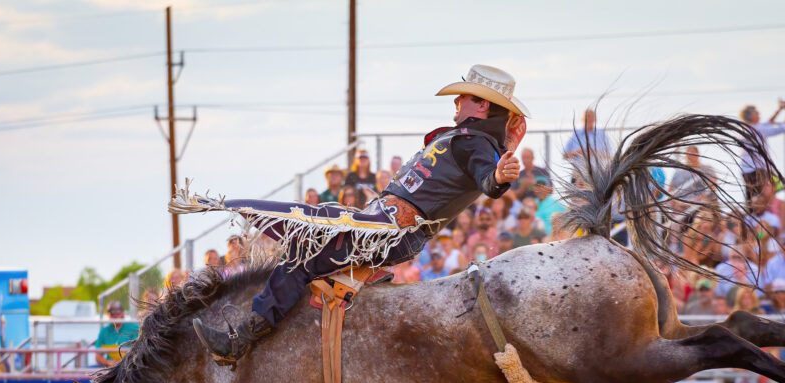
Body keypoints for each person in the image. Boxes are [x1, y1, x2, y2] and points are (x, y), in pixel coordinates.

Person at [184, 65, 528, 363]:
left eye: (464, 96)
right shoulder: (466, 138)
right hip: (380, 225)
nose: (457, 102)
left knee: (303, 258)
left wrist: (498, 178)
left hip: (391, 232)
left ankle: (240, 340)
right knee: (321, 219)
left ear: (481, 105)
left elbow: (488, 179)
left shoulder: (476, 144)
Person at [739, 100, 785, 213]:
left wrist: (779, 110)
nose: (759, 115)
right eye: (756, 113)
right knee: (762, 198)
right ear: (752, 116)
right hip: (757, 170)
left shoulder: (746, 128)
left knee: (751, 198)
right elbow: (783, 128)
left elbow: (768, 122)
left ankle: (751, 220)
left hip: (746, 170)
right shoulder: (759, 129)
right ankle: (762, 222)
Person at [94, 302, 140, 367]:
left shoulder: (134, 328)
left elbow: (139, 351)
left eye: (117, 313)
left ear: (123, 314)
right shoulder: (104, 331)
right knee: (85, 373)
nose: (115, 316)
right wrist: (108, 362)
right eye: (112, 314)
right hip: (110, 367)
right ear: (108, 315)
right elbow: (97, 356)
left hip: (129, 367)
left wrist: (124, 361)